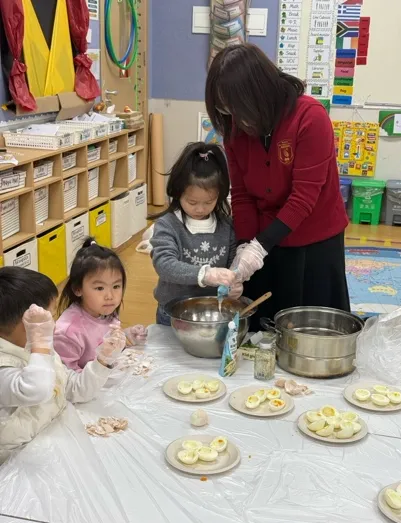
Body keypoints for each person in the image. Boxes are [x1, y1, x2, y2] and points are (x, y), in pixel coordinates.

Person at [205, 43, 350, 331]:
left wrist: (258, 248)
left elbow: (303, 198)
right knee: (262, 326)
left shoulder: (310, 117)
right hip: (266, 237)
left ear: (260, 93)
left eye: (238, 108)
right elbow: (242, 195)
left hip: (315, 240)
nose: (236, 119)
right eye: (226, 110)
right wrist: (244, 246)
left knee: (311, 328)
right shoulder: (235, 130)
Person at [0, 267, 125, 463]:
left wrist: (102, 361)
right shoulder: (8, 364)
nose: (55, 324)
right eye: (48, 317)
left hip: (51, 440)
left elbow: (71, 388)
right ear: (27, 324)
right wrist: (40, 344)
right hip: (17, 464)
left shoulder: (37, 347)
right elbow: (35, 390)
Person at [150, 142, 241, 325]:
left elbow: (233, 264)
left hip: (213, 313)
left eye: (209, 202)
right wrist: (204, 274)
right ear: (178, 193)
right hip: (172, 313)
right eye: (192, 202)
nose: (200, 209)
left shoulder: (226, 226)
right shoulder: (168, 225)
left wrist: (235, 282)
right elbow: (164, 264)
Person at [54, 238, 147, 372]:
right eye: (99, 288)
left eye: (116, 286)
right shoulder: (67, 332)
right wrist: (101, 372)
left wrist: (127, 335)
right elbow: (66, 377)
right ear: (77, 289)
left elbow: (104, 338)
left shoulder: (104, 310)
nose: (110, 296)